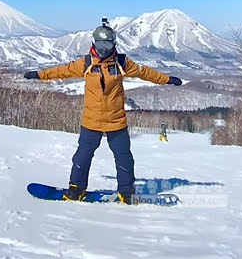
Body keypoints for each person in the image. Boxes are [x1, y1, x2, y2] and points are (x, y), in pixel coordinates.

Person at [24, 18, 182, 204]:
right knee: (82, 157)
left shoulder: (122, 62)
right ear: (93, 43)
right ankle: (76, 189)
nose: (104, 48)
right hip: (91, 121)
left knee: (124, 158)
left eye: (107, 44)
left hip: (116, 121)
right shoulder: (86, 63)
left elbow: (144, 72)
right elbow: (62, 71)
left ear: (114, 44)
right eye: (100, 44)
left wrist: (166, 79)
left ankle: (126, 192)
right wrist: (40, 75)